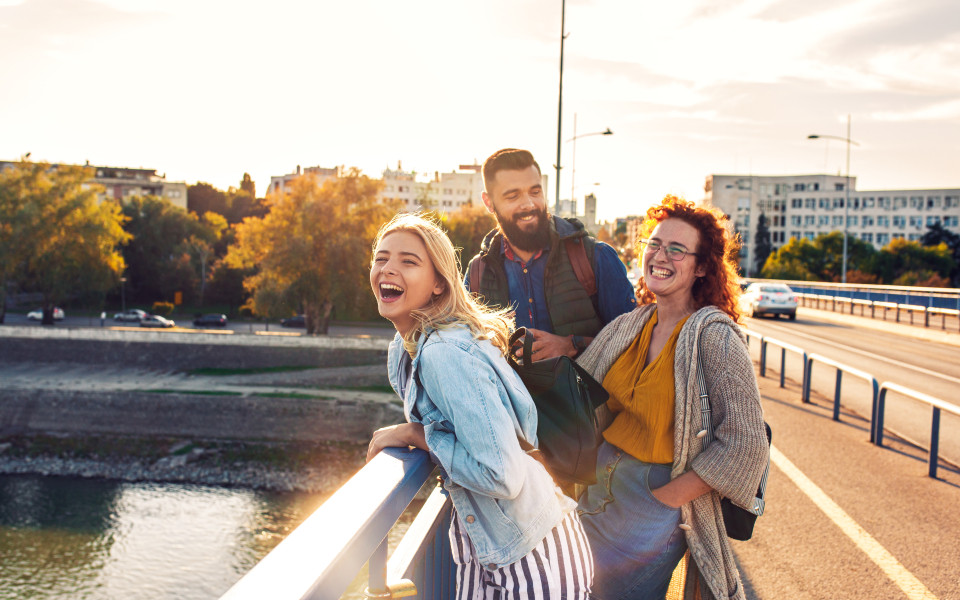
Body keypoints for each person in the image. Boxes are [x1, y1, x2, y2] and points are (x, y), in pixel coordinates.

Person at [366, 213, 593, 599]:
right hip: (494, 546)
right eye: (382, 258)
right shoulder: (410, 348)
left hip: (530, 558)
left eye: (409, 261)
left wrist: (414, 434)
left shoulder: (443, 351)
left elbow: (499, 476)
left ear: (439, 283)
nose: (388, 269)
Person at [574, 195, 769, 600]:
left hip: (654, 500)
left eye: (677, 249)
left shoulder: (713, 337)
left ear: (701, 268)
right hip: (601, 487)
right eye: (655, 245)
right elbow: (575, 393)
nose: (661, 256)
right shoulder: (631, 325)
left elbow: (747, 444)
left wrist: (667, 497)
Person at [465, 148, 637, 361]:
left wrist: (572, 346)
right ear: (489, 202)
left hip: (587, 394)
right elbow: (466, 352)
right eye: (513, 195)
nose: (528, 204)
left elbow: (634, 344)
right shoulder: (477, 274)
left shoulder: (596, 257)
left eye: (535, 192)